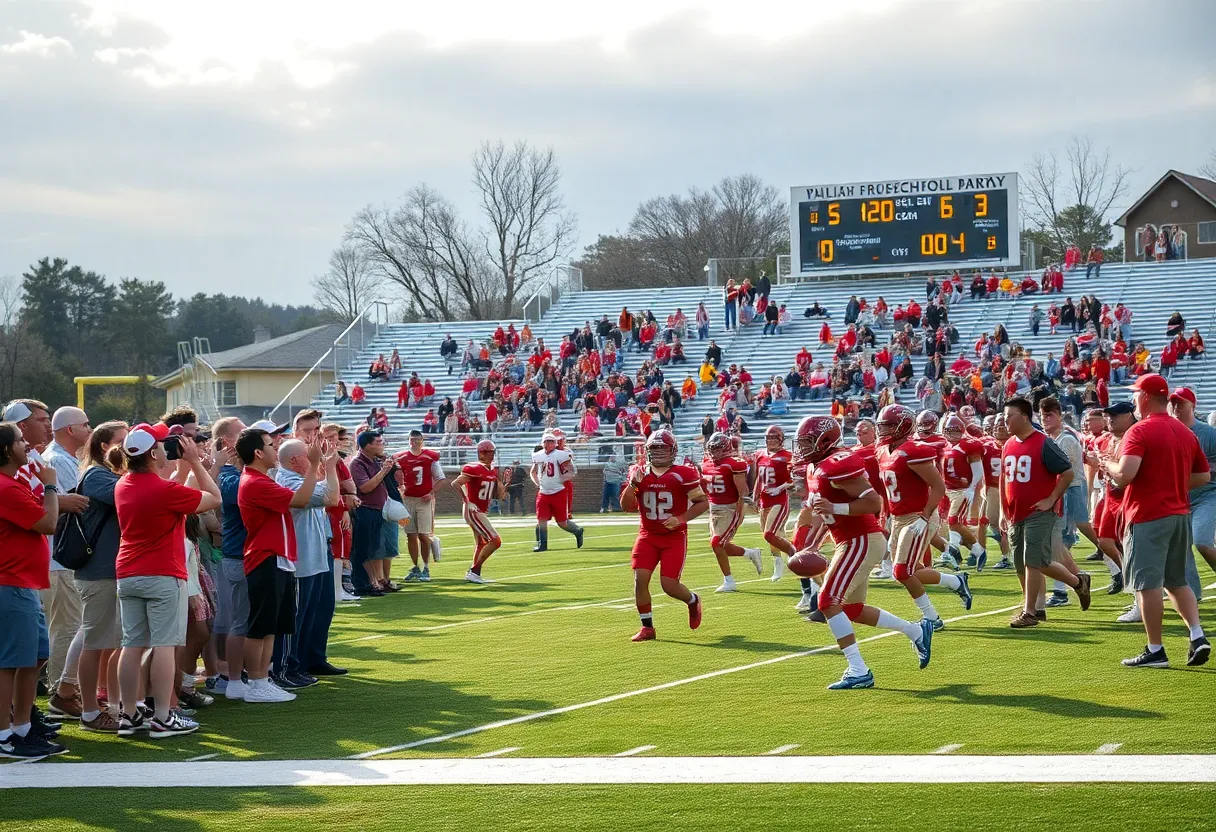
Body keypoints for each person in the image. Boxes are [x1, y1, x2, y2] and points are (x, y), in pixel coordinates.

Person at [795, 414, 934, 690]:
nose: (802, 447)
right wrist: (813, 542)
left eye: (809, 441)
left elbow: (874, 503)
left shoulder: (837, 464)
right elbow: (825, 511)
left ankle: (858, 670)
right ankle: (916, 630)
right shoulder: (816, 467)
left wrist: (836, 509)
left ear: (825, 440)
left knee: (827, 602)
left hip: (861, 539)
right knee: (852, 608)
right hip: (849, 540)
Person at [113, 423, 220, 736]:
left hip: (128, 573)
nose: (166, 448)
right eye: (161, 445)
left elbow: (167, 490)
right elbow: (213, 499)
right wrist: (196, 462)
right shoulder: (162, 489)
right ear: (151, 453)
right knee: (163, 646)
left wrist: (185, 465)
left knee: (131, 646)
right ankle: (163, 716)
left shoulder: (124, 484)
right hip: (161, 573)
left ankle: (129, 714)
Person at [1100, 374, 1209, 667]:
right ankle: (1197, 635)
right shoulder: (1185, 431)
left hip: (1148, 514)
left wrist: (1107, 464)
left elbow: (1125, 475)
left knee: (1147, 584)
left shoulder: (1139, 431)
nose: (1135, 398)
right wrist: (1171, 484)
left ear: (1146, 398)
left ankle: (1156, 649)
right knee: (1177, 580)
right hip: (1178, 513)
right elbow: (1203, 476)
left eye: (1137, 394)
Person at [236, 426, 323, 703]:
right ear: (258, 452)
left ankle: (264, 678)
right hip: (265, 557)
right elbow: (300, 499)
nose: (276, 449)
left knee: (273, 625)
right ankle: (256, 682)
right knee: (261, 625)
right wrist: (315, 466)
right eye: (270, 445)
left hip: (279, 557)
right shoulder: (255, 482)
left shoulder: (262, 479)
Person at [874, 406, 973, 627]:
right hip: (899, 517)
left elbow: (938, 486)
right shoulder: (882, 450)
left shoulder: (914, 451)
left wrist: (925, 516)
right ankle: (956, 582)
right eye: (883, 425)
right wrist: (887, 515)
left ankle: (932, 618)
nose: (884, 430)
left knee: (901, 571)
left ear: (904, 426)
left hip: (918, 516)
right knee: (914, 569)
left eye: (890, 425)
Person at [0, 419, 64, 757]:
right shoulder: (5, 487)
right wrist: (51, 487)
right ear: (6, 449)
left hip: (23, 585)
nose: (28, 445)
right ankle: (4, 734)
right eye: (21, 440)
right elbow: (48, 523)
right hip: (10, 585)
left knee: (33, 657)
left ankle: (22, 727)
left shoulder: (13, 483)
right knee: (10, 663)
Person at [1000, 398, 1091, 629]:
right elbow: (1004, 479)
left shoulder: (1043, 443)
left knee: (1032, 561)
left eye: (1009, 415)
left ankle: (1030, 611)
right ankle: (1075, 582)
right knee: (1024, 562)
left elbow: (1067, 473)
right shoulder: (1009, 443)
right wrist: (1003, 509)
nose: (1005, 420)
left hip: (1040, 511)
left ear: (1024, 417)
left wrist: (1052, 498)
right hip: (1015, 512)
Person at [619, 430, 708, 642]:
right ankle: (647, 627)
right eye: (655, 448)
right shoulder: (639, 472)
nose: (659, 453)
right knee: (640, 580)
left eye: (663, 448)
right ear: (647, 451)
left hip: (673, 537)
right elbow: (625, 506)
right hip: (647, 535)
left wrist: (682, 518)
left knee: (669, 586)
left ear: (673, 450)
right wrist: (633, 485)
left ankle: (693, 600)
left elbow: (702, 502)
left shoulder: (683, 474)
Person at [69, 421, 127, 733]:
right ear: (105, 447)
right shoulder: (96, 475)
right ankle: (90, 712)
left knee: (108, 643)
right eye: (123, 442)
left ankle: (106, 705)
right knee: (94, 642)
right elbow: (128, 497)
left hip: (110, 571)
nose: (130, 448)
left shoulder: (107, 474)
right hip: (98, 573)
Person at [272, 439, 339, 689]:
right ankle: (286, 667)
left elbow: (328, 492)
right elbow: (331, 497)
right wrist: (327, 467)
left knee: (307, 617)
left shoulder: (298, 479)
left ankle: (298, 664)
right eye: (308, 455)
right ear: (294, 460)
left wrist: (326, 466)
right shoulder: (288, 480)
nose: (315, 456)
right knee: (295, 619)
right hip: (300, 563)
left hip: (312, 559)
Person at [39, 406, 92, 722]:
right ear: (71, 429)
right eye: (86, 425)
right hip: (60, 557)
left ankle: (63, 688)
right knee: (67, 626)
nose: (90, 429)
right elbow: (80, 505)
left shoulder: (63, 458)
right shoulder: (58, 460)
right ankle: (61, 690)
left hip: (60, 557)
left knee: (67, 624)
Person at [701, 432, 762, 592]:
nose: (715, 453)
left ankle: (729, 581)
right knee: (719, 545)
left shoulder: (734, 464)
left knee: (717, 543)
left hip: (730, 508)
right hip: (713, 508)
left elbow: (742, 492)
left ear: (726, 448)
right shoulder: (706, 465)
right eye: (712, 449)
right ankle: (750, 553)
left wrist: (740, 514)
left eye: (718, 449)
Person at [1168, 387, 1216, 583]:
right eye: (1174, 402)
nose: (1176, 406)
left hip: (1207, 495)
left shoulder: (1209, 433)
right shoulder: (1167, 432)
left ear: (1193, 405)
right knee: (1180, 547)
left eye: (1181, 402)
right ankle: (1192, 593)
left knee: (1202, 541)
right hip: (1178, 498)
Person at [349, 430, 398, 596]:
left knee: (373, 549)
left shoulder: (373, 461)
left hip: (377, 510)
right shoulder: (358, 463)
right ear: (367, 445)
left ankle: (372, 583)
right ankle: (362, 585)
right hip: (365, 509)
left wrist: (389, 467)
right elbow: (366, 487)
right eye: (378, 442)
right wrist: (383, 471)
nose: (381, 445)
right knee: (363, 549)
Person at [394, 431, 445, 582]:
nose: (414, 442)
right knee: (410, 535)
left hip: (424, 500)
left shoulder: (430, 457)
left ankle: (426, 567)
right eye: (412, 439)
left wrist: (431, 493)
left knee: (423, 535)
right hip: (407, 500)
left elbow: (441, 479)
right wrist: (400, 488)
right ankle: (415, 567)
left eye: (417, 439)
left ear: (422, 441)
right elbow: (396, 476)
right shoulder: (401, 457)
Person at [452, 440, 505, 583]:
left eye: (493, 452)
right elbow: (456, 483)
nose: (492, 456)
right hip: (474, 510)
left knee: (481, 543)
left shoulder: (492, 470)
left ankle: (475, 573)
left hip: (481, 510)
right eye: (489, 453)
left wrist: (503, 487)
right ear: (481, 453)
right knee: (495, 540)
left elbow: (496, 496)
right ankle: (474, 570)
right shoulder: (474, 468)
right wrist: (467, 501)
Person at [753, 425, 795, 580]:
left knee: (769, 534)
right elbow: (759, 477)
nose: (771, 441)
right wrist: (755, 495)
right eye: (769, 438)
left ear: (781, 439)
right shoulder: (760, 455)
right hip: (764, 500)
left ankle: (793, 555)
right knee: (777, 535)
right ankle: (782, 561)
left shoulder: (787, 456)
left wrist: (780, 487)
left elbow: (794, 479)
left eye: (774, 438)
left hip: (779, 499)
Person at [530, 433, 584, 552]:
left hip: (558, 492)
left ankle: (578, 531)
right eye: (545, 441)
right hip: (543, 492)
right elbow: (533, 472)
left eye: (550, 441)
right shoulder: (538, 455)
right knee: (541, 519)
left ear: (554, 443)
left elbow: (572, 471)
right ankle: (542, 544)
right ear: (542, 443)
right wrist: (537, 483)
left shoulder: (562, 455)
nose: (548, 444)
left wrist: (563, 479)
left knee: (562, 522)